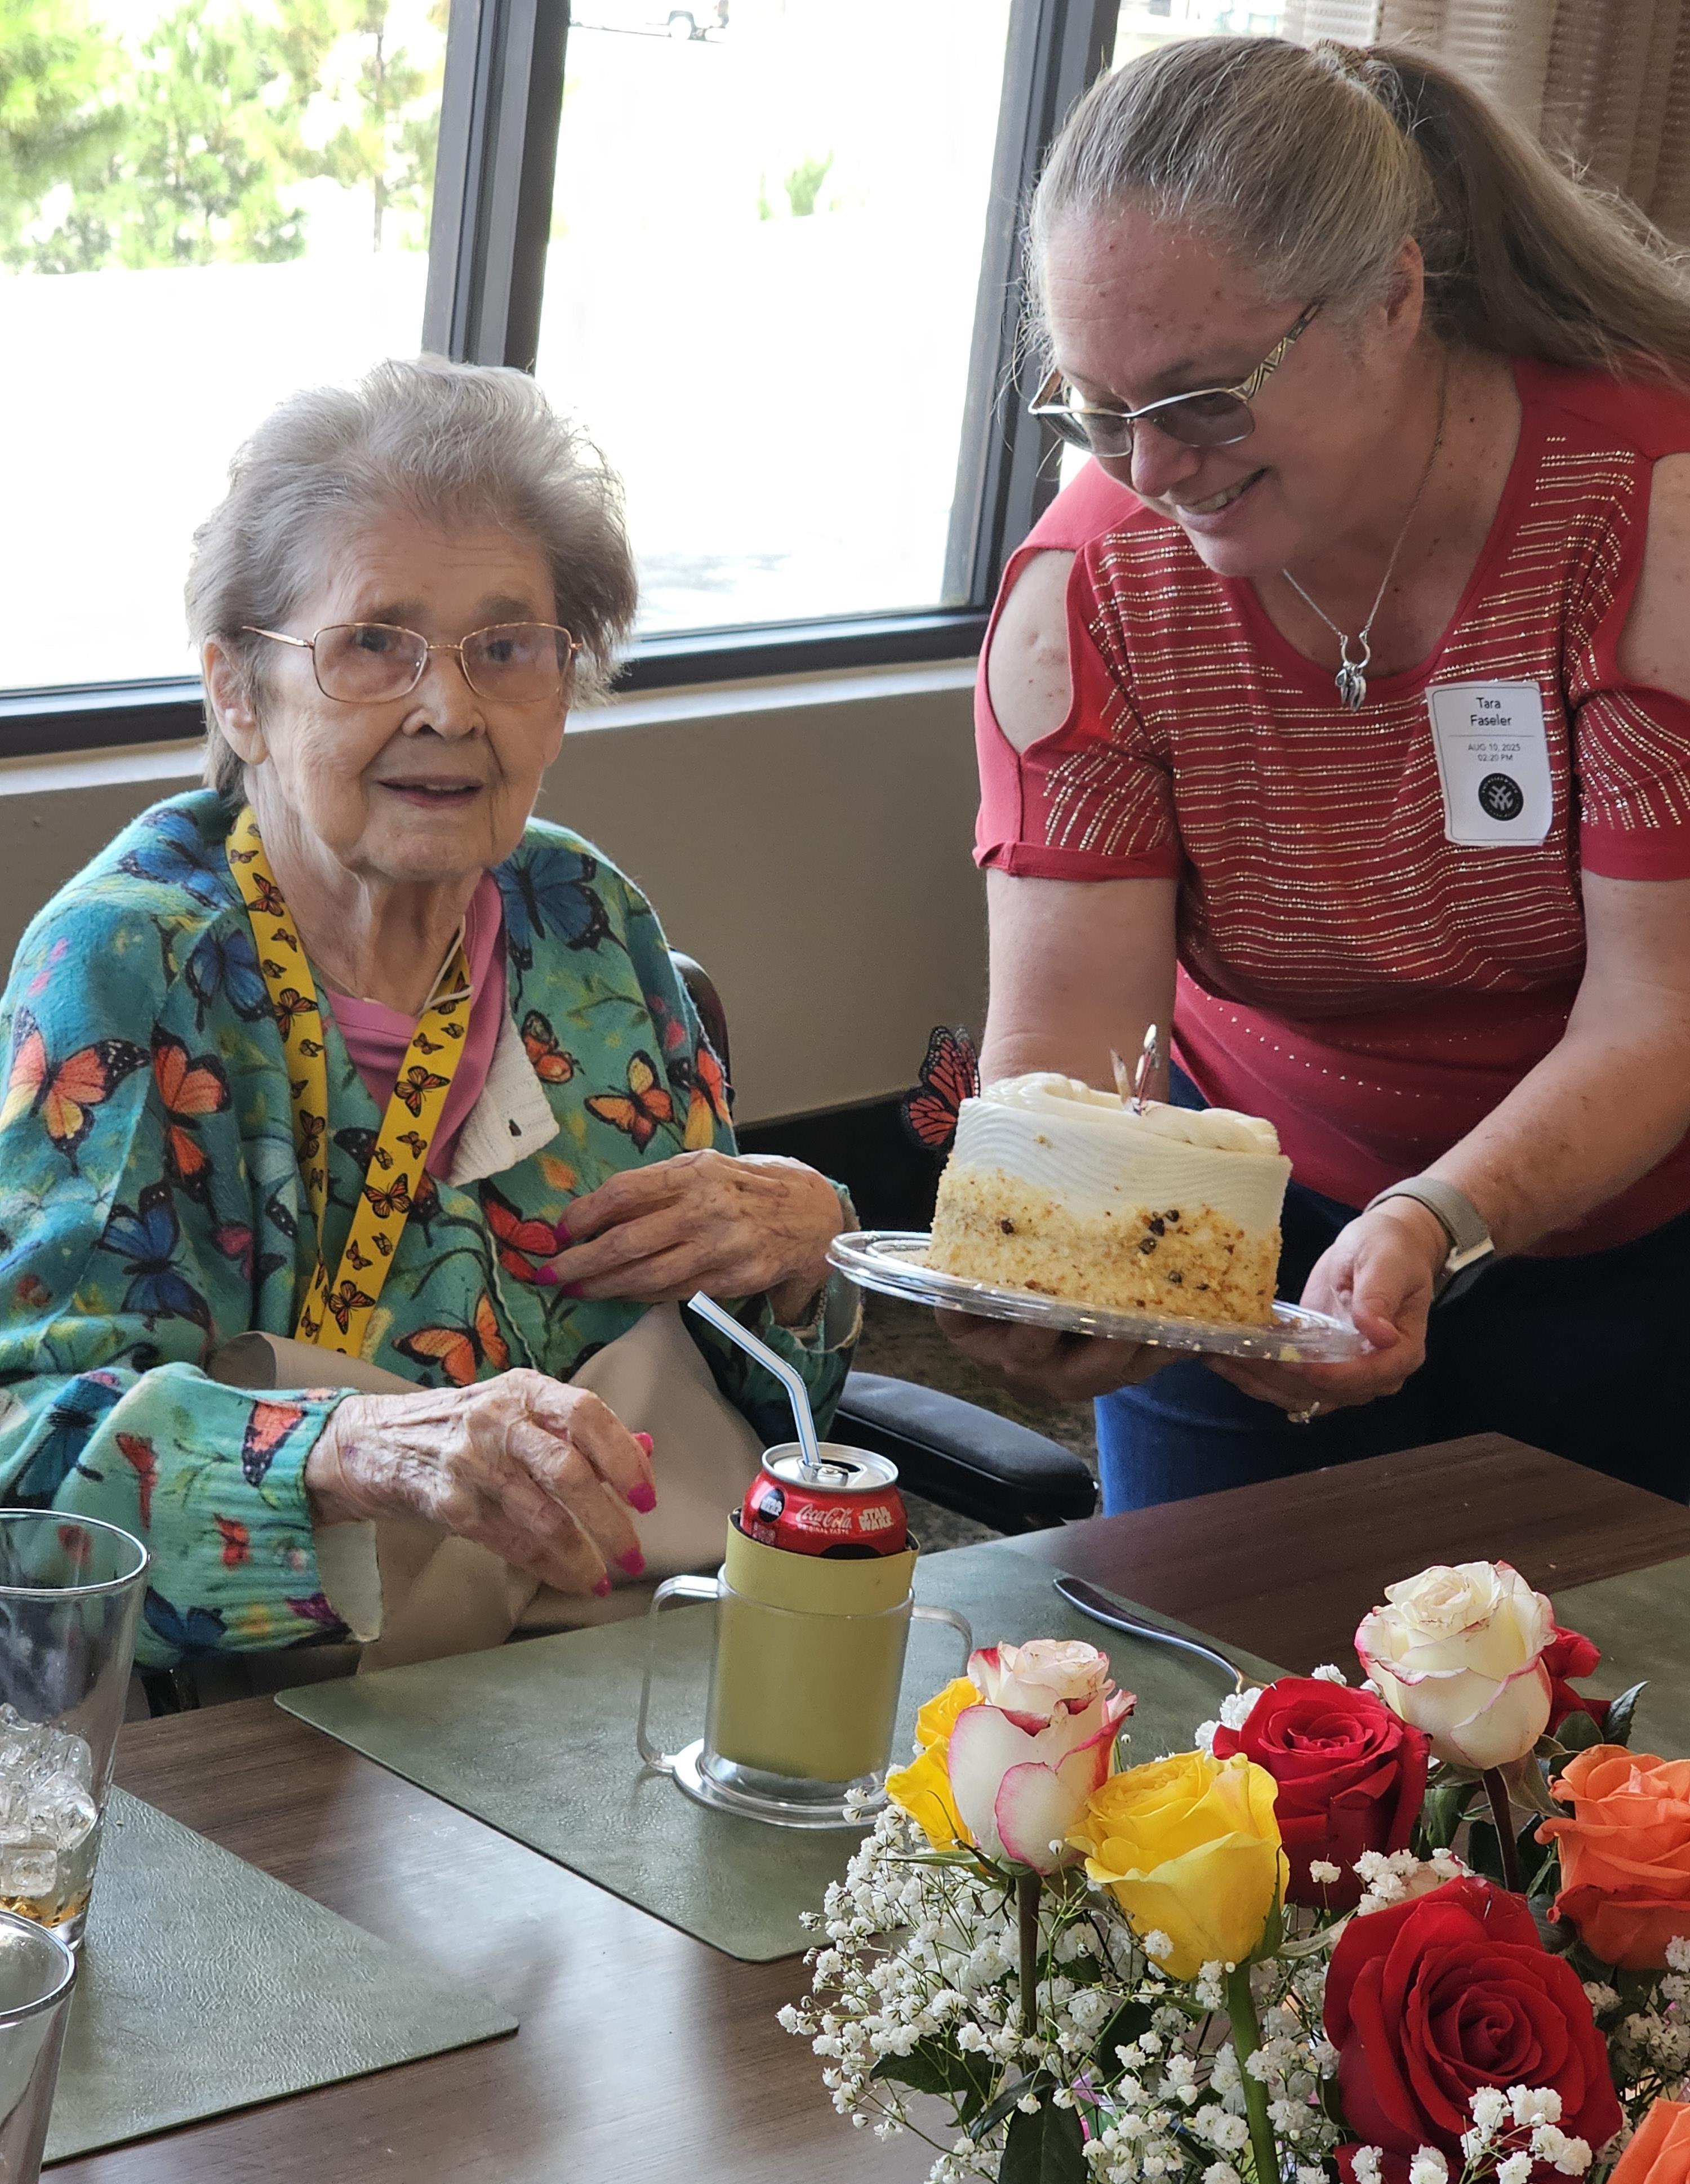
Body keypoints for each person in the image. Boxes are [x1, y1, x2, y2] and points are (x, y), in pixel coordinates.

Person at [0, 358, 855, 1670]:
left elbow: (763, 1394)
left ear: (562, 686)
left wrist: (806, 1259)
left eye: (504, 648)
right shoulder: (133, 966)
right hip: (301, 1711)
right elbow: (27, 1457)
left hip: (644, 1651)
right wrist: (345, 1450)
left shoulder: (585, 918)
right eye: (373, 645)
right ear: (241, 689)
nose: (449, 705)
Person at [942, 35, 1690, 1508]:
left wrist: (1432, 1220)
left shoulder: (1643, 518)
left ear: (1395, 299)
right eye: (1100, 412)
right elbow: (1085, 1055)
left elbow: (1657, 1013)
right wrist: (1067, 1254)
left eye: (1205, 398)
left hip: (1638, 1247)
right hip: (1259, 1227)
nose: (1154, 470)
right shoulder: (1094, 590)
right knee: (1197, 1700)